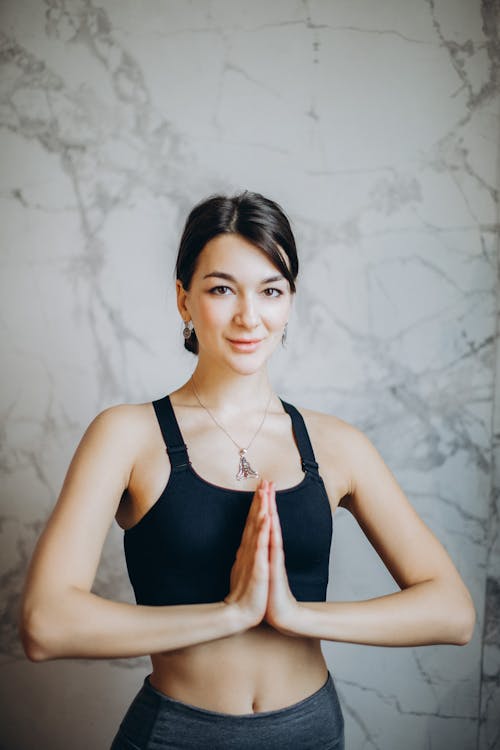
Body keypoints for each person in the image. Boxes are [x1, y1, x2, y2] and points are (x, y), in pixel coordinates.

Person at [18, 190, 476, 750]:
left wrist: (295, 616)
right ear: (183, 300)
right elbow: (46, 624)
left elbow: (452, 612)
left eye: (270, 291)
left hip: (310, 732)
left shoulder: (338, 445)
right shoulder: (127, 436)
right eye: (220, 289)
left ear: (290, 303)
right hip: (177, 735)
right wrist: (229, 614)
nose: (248, 316)